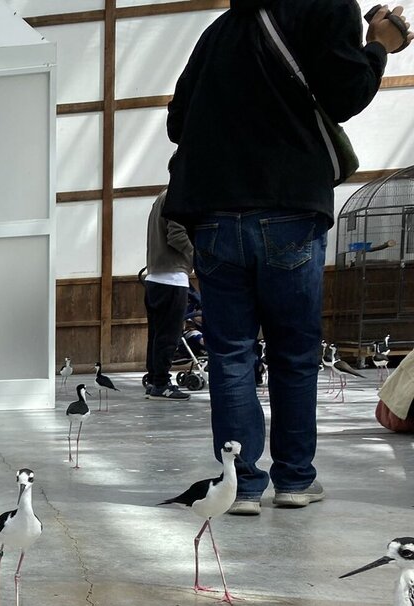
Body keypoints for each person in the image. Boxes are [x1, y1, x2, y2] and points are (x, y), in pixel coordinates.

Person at [165, 0, 409, 515]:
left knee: (231, 355)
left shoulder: (219, 31)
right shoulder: (327, 7)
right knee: (293, 354)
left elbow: (177, 121)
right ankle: (295, 479)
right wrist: (378, 47)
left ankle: (241, 485)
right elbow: (345, 94)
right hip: (290, 209)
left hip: (214, 215)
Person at [143, 187, 194, 401]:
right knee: (169, 335)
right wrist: (198, 256)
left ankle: (154, 380)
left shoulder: (161, 197)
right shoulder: (177, 196)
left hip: (154, 277)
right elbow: (176, 235)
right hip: (172, 277)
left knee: (156, 334)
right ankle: (161, 384)